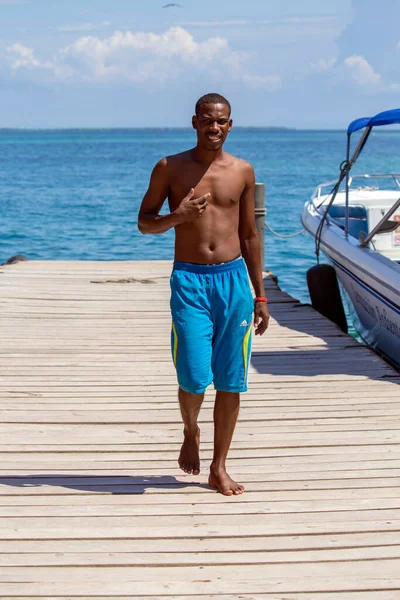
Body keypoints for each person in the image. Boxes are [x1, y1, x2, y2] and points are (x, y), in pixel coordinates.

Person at [138, 93, 269, 496]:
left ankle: (219, 466)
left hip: (233, 283)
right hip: (190, 281)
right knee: (194, 377)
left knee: (231, 380)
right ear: (195, 122)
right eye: (208, 121)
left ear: (230, 125)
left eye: (222, 121)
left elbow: (249, 234)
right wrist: (177, 217)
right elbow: (145, 223)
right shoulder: (170, 168)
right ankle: (191, 429)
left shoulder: (242, 171)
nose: (214, 127)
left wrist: (260, 296)